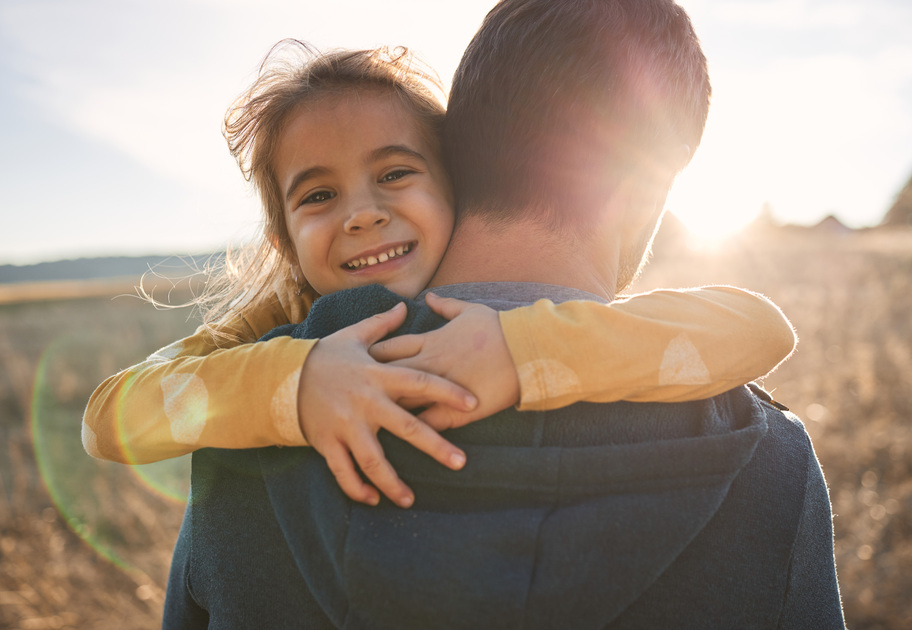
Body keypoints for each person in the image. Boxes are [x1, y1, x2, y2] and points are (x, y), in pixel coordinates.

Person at [163, 0, 845, 627]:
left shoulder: (245, 418)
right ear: (642, 190)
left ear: (456, 156)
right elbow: (762, 328)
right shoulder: (769, 460)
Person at [82, 45, 797, 510]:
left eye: (395, 173)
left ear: (459, 188)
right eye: (318, 196)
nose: (362, 214)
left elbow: (761, 329)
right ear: (286, 242)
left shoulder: (520, 304)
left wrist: (522, 352)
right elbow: (109, 421)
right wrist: (297, 384)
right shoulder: (277, 317)